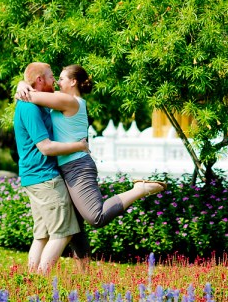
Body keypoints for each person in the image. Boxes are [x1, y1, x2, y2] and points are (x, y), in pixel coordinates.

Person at [16, 64, 165, 266]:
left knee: (96, 216)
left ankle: (140, 189)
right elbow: (32, 93)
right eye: (54, 77)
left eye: (60, 78)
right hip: (64, 168)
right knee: (75, 227)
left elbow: (29, 97)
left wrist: (24, 86)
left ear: (73, 82)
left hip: (77, 166)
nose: (57, 82)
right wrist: (22, 83)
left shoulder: (68, 100)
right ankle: (84, 276)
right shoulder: (59, 100)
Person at [13, 62, 91, 274]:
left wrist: (22, 83)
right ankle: (40, 278)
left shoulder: (34, 102)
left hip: (35, 177)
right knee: (63, 233)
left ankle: (30, 280)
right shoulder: (29, 107)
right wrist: (80, 146)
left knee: (43, 235)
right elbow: (46, 147)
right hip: (44, 177)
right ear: (39, 80)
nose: (54, 81)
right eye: (50, 76)